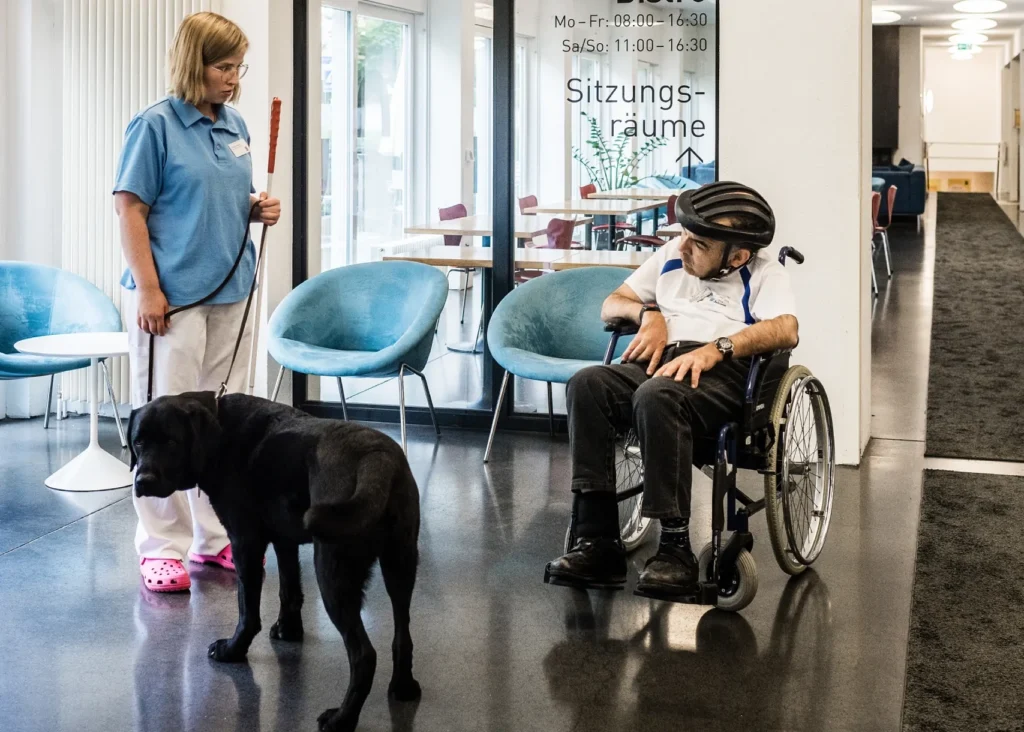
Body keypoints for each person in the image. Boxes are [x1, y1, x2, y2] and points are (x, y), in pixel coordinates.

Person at [544, 182, 798, 596]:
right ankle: (597, 543)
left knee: (657, 394)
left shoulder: (766, 273)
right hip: (660, 362)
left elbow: (786, 329)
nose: (684, 247)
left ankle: (675, 548)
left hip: (723, 375)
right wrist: (648, 314)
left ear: (738, 255)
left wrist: (719, 349)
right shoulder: (671, 257)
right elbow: (612, 303)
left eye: (699, 243)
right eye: (684, 235)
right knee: (587, 383)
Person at [113, 11, 281, 593]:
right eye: (223, 67)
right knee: (163, 424)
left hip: (233, 290)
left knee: (219, 426)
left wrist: (256, 207)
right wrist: (151, 290)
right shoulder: (154, 126)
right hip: (174, 300)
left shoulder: (234, 124)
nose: (234, 78)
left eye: (239, 67)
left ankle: (215, 538)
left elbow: (219, 197)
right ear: (194, 64)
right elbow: (130, 210)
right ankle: (161, 547)